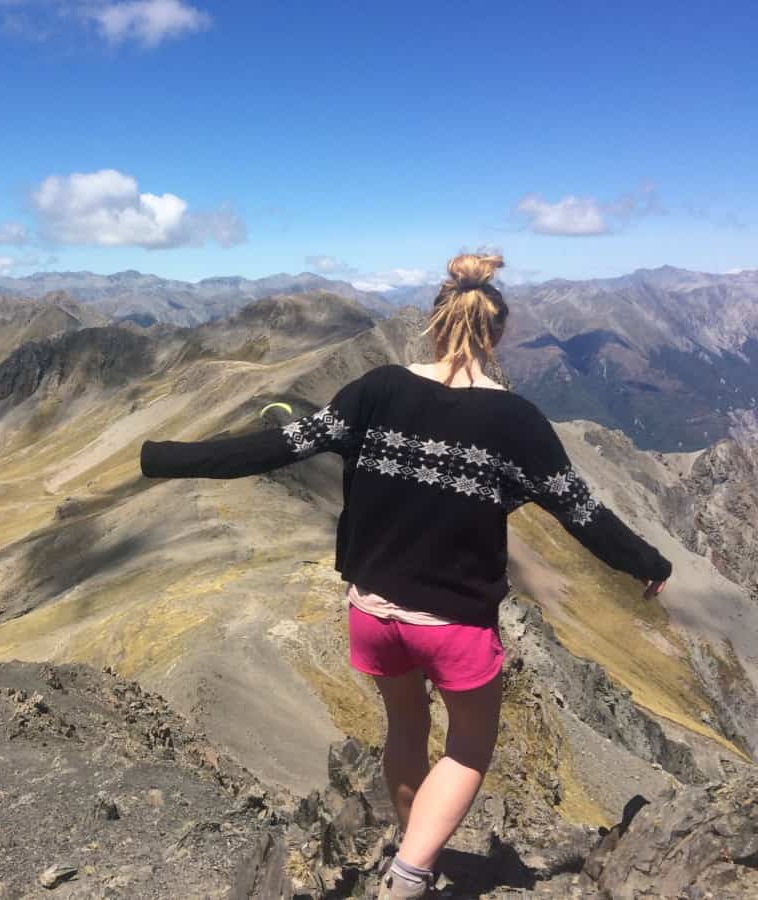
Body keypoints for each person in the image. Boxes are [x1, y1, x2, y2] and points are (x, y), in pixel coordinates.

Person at [138, 253, 672, 899]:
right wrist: (650, 564)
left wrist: (164, 457)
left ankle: (410, 845)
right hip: (454, 623)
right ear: (496, 335)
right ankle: (412, 876)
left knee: (406, 729)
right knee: (470, 749)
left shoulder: (378, 388)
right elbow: (582, 514)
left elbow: (276, 446)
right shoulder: (519, 422)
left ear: (434, 323)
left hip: (372, 612)